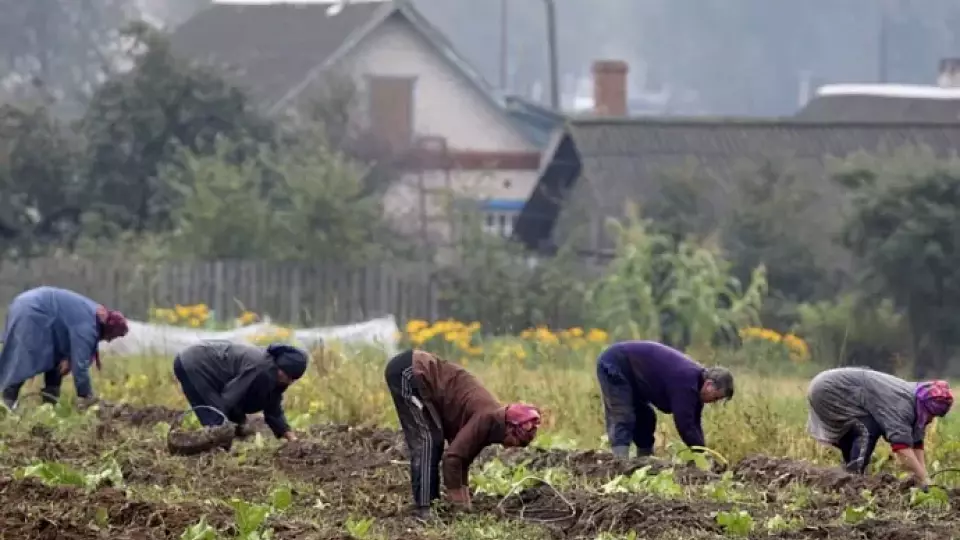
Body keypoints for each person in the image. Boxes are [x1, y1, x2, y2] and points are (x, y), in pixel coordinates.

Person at [384, 349, 541, 519]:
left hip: (416, 369)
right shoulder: (487, 418)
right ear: (509, 427)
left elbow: (463, 458)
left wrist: (466, 503)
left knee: (432, 440)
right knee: (428, 440)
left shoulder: (491, 421)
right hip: (410, 371)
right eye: (517, 441)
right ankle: (425, 508)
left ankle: (431, 506)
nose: (512, 446)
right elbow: (452, 459)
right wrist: (459, 506)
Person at [806, 367, 953, 487]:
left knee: (861, 428)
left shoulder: (917, 400)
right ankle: (855, 480)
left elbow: (916, 443)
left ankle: (846, 476)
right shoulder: (902, 405)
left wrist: (923, 477)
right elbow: (902, 450)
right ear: (926, 407)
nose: (932, 419)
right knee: (868, 428)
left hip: (833, 389)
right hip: (828, 390)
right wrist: (924, 480)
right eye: (932, 415)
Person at [596, 340, 734, 459]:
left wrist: (702, 452)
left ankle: (643, 462)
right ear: (709, 384)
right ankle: (620, 464)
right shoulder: (686, 381)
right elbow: (685, 424)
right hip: (616, 363)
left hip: (635, 377)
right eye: (716, 397)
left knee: (646, 417)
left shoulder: (696, 385)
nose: (713, 402)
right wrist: (701, 454)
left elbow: (694, 423)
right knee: (623, 415)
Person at [0, 286, 129, 409]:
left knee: (56, 362)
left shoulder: (92, 313)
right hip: (32, 311)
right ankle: (7, 405)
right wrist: (88, 397)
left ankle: (48, 407)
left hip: (33, 308)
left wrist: (68, 358)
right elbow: (80, 367)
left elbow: (67, 332)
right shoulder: (88, 326)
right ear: (109, 329)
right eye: (112, 337)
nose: (108, 340)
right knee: (22, 360)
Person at [173, 341, 308, 441]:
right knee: (218, 422)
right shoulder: (261, 368)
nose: (289, 382)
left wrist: (291, 437)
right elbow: (230, 398)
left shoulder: (275, 375)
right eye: (288, 376)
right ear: (281, 367)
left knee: (223, 424)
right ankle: (209, 454)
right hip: (195, 364)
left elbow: (272, 407)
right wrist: (239, 423)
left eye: (293, 379)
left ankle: (217, 448)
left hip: (195, 363)